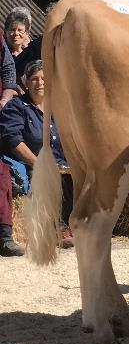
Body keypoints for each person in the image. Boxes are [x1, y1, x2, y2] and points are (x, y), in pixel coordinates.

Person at [0, 60, 73, 248]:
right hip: (30, 164)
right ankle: (57, 226)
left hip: (62, 163)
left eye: (44, 78)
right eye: (34, 79)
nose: (40, 83)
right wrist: (40, 164)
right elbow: (14, 141)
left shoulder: (59, 108)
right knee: (53, 178)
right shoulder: (17, 107)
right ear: (26, 82)